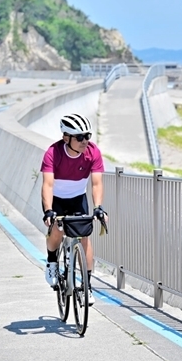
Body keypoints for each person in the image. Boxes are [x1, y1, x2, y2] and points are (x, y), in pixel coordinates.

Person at [41, 113, 108, 306]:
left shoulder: (93, 152)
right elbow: (47, 185)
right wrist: (48, 210)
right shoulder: (53, 153)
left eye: (87, 136)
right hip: (56, 200)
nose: (84, 141)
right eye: (79, 137)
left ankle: (87, 286)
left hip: (78, 199)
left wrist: (98, 208)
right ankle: (52, 261)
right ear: (66, 138)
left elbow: (96, 183)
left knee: (84, 236)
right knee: (57, 229)